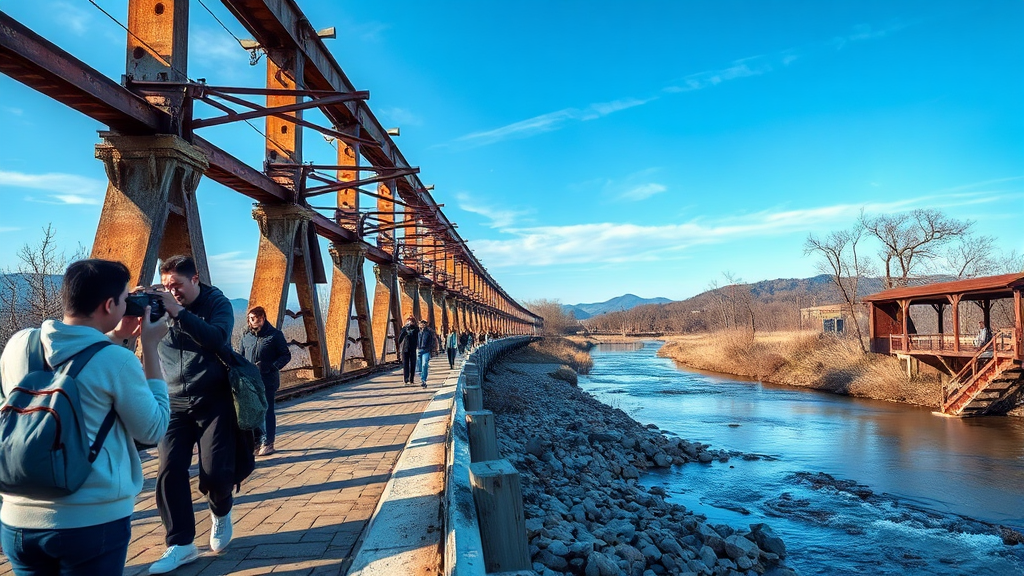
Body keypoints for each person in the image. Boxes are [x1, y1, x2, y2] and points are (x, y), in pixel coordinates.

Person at [0, 259, 170, 576]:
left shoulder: (19, 344)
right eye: (124, 299)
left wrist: (116, 338)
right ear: (109, 304)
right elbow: (153, 429)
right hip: (90, 520)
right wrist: (148, 345)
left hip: (17, 517)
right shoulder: (116, 361)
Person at [148, 255, 237, 574]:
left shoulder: (217, 303)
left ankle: (221, 509)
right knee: (169, 469)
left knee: (214, 473)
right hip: (173, 401)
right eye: (167, 286)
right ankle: (180, 543)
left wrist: (179, 313)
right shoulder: (162, 304)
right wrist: (138, 306)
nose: (173, 292)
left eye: (178, 286)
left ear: (195, 279)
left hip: (213, 397)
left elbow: (217, 339)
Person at [239, 306, 291, 457]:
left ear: (264, 318)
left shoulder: (275, 335)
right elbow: (240, 356)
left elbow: (285, 355)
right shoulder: (245, 336)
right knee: (252, 411)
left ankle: (268, 442)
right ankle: (256, 442)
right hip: (249, 381)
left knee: (267, 410)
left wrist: (272, 367)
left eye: (258, 318)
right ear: (248, 320)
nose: (255, 321)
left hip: (268, 379)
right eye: (252, 318)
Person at [396, 316, 419, 385]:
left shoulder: (416, 329)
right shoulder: (404, 329)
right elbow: (399, 340)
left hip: (413, 349)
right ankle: (406, 379)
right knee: (405, 364)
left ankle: (411, 379)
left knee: (412, 364)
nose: (409, 323)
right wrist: (404, 331)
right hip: (405, 349)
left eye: (411, 321)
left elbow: (418, 339)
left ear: (414, 322)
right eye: (408, 321)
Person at [416, 320, 437, 388]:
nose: (422, 325)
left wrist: (432, 350)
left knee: (424, 365)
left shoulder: (428, 333)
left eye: (423, 324)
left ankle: (423, 380)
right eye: (420, 324)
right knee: (419, 367)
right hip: (418, 350)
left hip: (426, 351)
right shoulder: (417, 332)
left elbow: (432, 341)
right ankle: (422, 377)